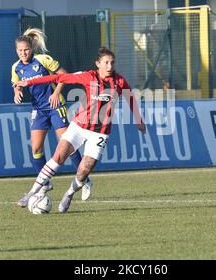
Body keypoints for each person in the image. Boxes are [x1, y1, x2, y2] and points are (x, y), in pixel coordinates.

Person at [15, 47, 146, 213]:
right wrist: (30, 82)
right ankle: (31, 193)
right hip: (79, 126)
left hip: (100, 133)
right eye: (106, 62)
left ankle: (69, 194)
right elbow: (59, 77)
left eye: (112, 63)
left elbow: (130, 98)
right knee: (59, 156)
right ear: (98, 64)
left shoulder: (119, 81)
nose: (109, 66)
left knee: (84, 170)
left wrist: (139, 120)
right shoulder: (89, 76)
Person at [11, 28, 92, 206]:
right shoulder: (16, 67)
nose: (23, 53)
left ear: (31, 48)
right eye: (19, 50)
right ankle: (45, 184)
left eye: (26, 49)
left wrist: (56, 93)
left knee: (67, 146)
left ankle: (85, 181)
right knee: (36, 148)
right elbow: (16, 84)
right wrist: (17, 92)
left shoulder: (42, 60)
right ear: (16, 51)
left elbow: (64, 75)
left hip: (56, 106)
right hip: (38, 110)